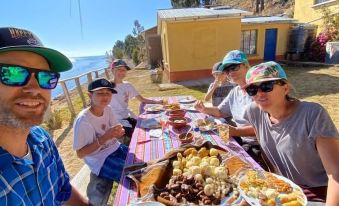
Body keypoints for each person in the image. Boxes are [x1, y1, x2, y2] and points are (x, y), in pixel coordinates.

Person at [0, 27, 89, 205]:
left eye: (45, 77)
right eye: (13, 73)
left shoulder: (42, 140)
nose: (35, 89)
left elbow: (64, 191)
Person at [242, 61, 339, 204]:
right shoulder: (254, 112)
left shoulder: (313, 114)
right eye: (252, 90)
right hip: (283, 189)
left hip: (317, 192)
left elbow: (335, 173)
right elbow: (267, 147)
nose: (259, 94)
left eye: (266, 86)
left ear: (285, 88)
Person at [194, 50, 262, 165]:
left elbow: (264, 129)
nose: (230, 72)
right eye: (226, 70)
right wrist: (203, 109)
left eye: (234, 67)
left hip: (258, 147)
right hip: (240, 140)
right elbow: (220, 111)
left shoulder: (260, 91)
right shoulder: (235, 92)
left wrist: (234, 131)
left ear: (246, 65)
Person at [73, 78, 128, 205]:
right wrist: (105, 138)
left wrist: (119, 131)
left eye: (108, 93)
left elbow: (115, 128)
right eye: (100, 93)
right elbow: (80, 154)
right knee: (131, 176)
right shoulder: (83, 120)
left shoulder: (107, 109)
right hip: (100, 159)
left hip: (115, 148)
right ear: (90, 95)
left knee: (140, 162)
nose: (105, 96)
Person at [109, 59, 162, 144]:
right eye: (119, 69)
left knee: (152, 127)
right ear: (112, 70)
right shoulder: (107, 87)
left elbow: (142, 99)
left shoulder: (127, 85)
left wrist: (157, 102)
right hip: (116, 121)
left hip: (127, 117)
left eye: (124, 70)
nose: (122, 72)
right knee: (138, 137)